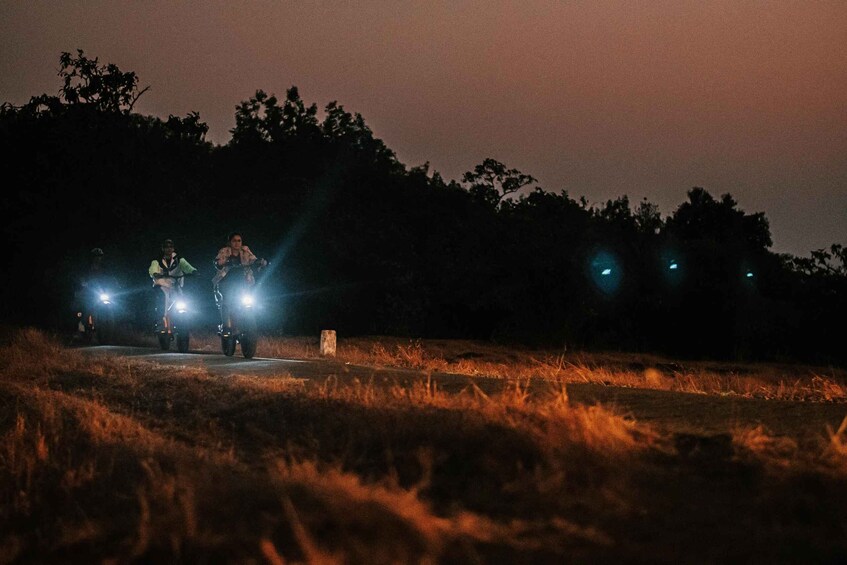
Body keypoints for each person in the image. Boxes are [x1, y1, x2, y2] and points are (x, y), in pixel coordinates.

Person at [149, 239, 197, 329]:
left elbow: (186, 266)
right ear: (163, 249)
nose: (169, 249)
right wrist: (155, 273)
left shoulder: (179, 259)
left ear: (173, 248)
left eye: (170, 247)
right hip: (162, 285)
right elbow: (153, 268)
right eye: (166, 247)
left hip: (176, 285)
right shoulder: (157, 260)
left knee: (183, 300)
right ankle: (161, 321)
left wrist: (193, 271)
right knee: (163, 300)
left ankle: (182, 321)